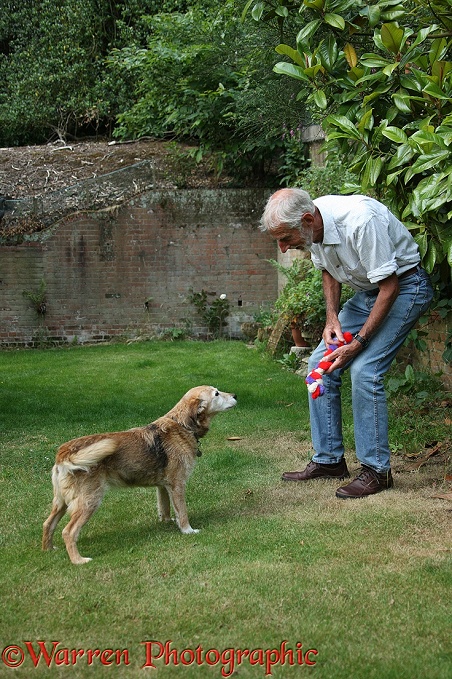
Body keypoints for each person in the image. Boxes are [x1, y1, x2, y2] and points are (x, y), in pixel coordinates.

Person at [260, 189, 433, 498]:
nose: (283, 247)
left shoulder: (361, 221)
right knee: (318, 364)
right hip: (370, 293)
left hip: (406, 287)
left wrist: (360, 342)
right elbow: (328, 270)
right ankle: (329, 461)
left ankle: (377, 471)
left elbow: (390, 286)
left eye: (285, 238)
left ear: (307, 220)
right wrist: (332, 318)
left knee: (366, 370)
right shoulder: (314, 227)